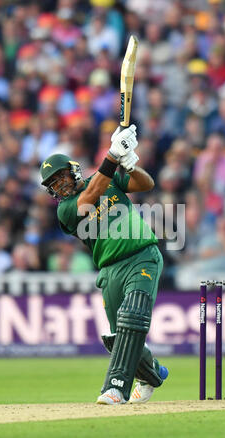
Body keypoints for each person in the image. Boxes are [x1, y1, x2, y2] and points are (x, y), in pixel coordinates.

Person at [40, 124, 168, 405]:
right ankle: (153, 374)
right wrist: (112, 155)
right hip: (109, 270)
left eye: (61, 176)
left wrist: (131, 165)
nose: (60, 184)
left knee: (133, 317)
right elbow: (90, 197)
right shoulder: (66, 210)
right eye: (53, 183)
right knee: (118, 337)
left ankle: (115, 387)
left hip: (142, 255)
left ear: (73, 170)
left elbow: (146, 184)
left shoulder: (107, 179)